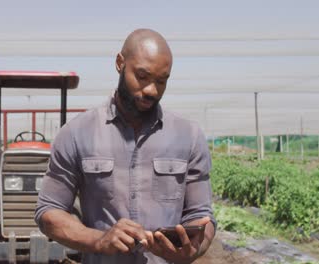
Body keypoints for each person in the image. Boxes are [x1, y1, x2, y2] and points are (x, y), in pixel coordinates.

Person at [35, 28, 216, 264]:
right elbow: (49, 212)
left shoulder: (189, 136)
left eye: (161, 81)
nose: (151, 90)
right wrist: (99, 240)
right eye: (142, 76)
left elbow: (202, 216)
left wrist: (193, 247)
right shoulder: (76, 133)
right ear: (120, 63)